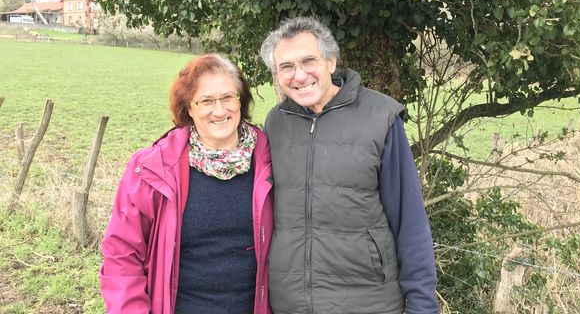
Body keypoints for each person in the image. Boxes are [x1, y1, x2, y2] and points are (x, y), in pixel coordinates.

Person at [260, 17, 439, 313]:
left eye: (308, 61)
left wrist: (422, 305)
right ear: (277, 75)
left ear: (331, 61)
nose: (300, 75)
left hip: (368, 302)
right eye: (286, 67)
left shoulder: (380, 118)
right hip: (290, 304)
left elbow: (410, 221)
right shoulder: (276, 123)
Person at [99, 53, 273, 314]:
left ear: (241, 101)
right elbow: (122, 254)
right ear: (189, 108)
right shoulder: (153, 169)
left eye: (228, 97)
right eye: (206, 101)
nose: (219, 110)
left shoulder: (270, 160)